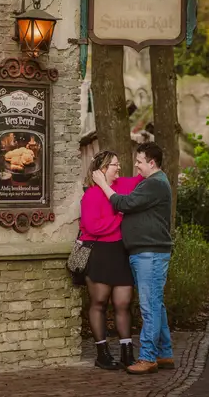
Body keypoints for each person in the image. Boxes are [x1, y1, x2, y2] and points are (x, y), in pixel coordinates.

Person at [91, 142, 175, 375]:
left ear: (151, 162)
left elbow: (123, 203)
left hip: (150, 254)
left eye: (139, 161)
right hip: (146, 253)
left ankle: (148, 358)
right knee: (156, 305)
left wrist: (102, 185)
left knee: (149, 307)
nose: (135, 166)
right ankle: (164, 353)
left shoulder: (155, 184)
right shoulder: (152, 183)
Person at [77, 151, 142, 370]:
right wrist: (121, 217)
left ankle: (126, 353)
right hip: (99, 252)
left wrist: (145, 160)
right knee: (100, 302)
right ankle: (102, 354)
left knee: (124, 302)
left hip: (120, 252)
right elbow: (93, 227)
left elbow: (145, 176)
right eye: (115, 164)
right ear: (103, 169)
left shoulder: (122, 186)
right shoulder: (91, 195)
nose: (120, 168)